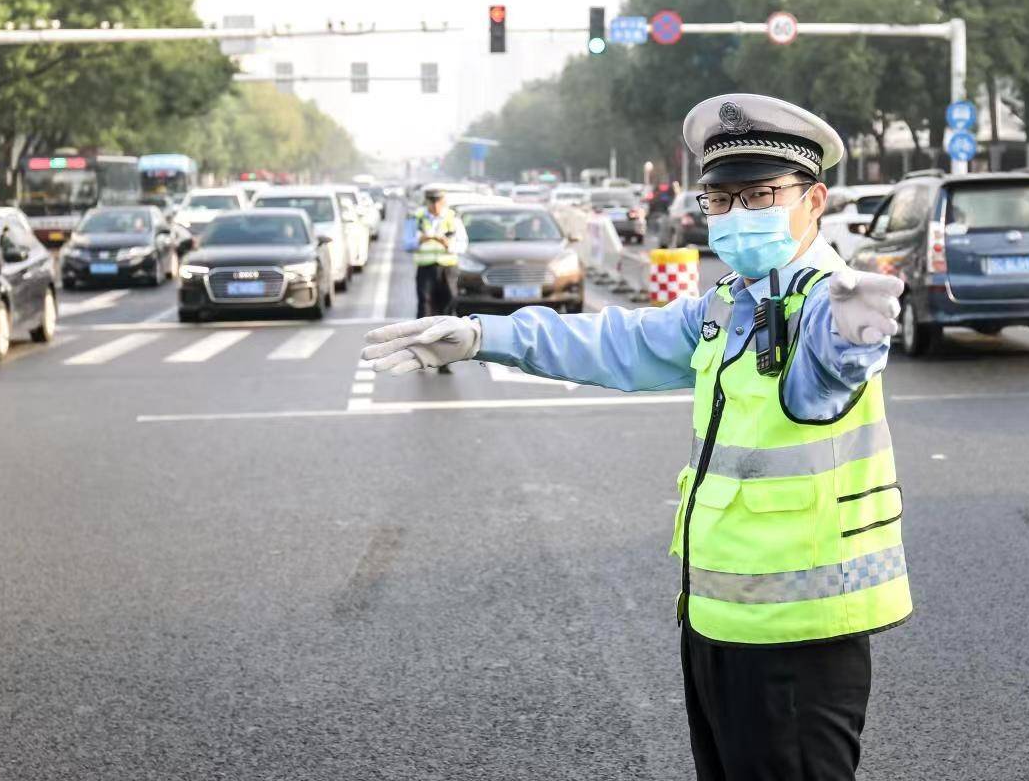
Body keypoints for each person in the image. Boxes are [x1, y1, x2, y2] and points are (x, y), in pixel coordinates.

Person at [363, 95, 910, 781]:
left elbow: (818, 384)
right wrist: (481, 335)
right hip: (719, 625)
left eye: (763, 194)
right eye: (721, 198)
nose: (738, 214)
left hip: (797, 637)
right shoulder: (732, 303)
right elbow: (617, 340)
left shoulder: (829, 304)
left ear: (815, 201)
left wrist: (851, 344)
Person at [411, 187, 466, 371]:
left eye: (438, 201)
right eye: (431, 201)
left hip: (448, 270)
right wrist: (420, 240)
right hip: (426, 269)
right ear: (427, 202)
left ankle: (444, 360)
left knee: (447, 312)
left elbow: (463, 245)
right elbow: (406, 243)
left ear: (443, 201)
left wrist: (447, 244)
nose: (435, 205)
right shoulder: (417, 218)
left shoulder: (453, 218)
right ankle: (422, 356)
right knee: (424, 311)